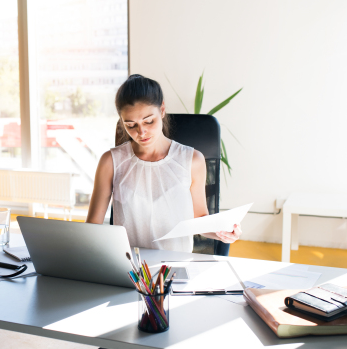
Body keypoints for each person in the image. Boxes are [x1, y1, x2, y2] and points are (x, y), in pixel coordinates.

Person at [86, 74, 241, 253]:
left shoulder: (192, 160)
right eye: (130, 125)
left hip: (175, 267)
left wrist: (224, 231)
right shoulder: (111, 161)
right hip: (130, 269)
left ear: (162, 110)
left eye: (149, 121)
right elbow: (92, 227)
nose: (141, 132)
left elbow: (200, 219)